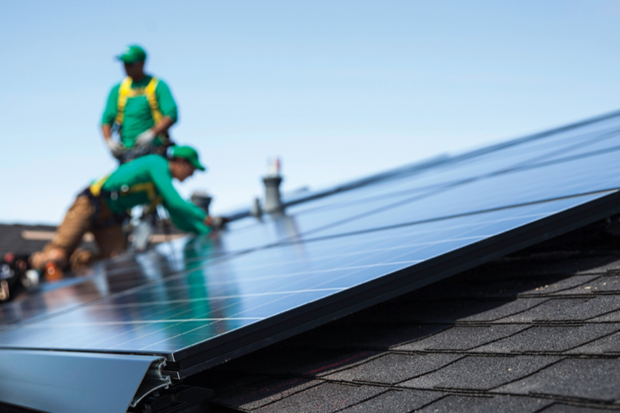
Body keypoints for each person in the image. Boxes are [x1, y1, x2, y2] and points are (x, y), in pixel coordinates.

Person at [23, 145, 219, 281]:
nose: (192, 175)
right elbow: (177, 203)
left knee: (117, 261)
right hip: (90, 203)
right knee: (56, 257)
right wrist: (206, 218)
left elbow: (178, 217)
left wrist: (204, 230)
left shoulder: (160, 188)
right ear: (182, 162)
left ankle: (74, 261)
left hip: (110, 217)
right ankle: (31, 261)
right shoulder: (157, 164)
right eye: (192, 170)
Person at [101, 45, 178, 163]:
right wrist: (109, 141)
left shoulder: (157, 85)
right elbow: (106, 120)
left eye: (130, 64)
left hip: (154, 150)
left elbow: (171, 114)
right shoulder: (118, 90)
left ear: (142, 63)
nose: (126, 68)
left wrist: (152, 133)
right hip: (127, 152)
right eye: (125, 64)